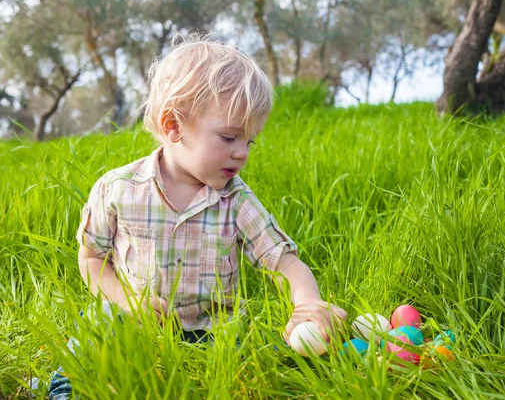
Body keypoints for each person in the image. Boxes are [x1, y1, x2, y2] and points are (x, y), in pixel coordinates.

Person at [48, 34, 347, 398]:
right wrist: (125, 300)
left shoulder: (235, 199)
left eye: (249, 142)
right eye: (228, 137)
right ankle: (62, 392)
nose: (241, 154)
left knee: (265, 358)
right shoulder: (118, 189)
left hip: (213, 332)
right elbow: (92, 259)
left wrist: (307, 303)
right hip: (137, 321)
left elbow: (284, 262)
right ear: (173, 125)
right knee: (99, 331)